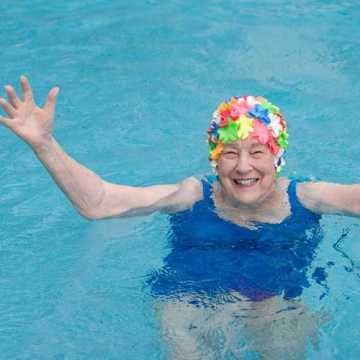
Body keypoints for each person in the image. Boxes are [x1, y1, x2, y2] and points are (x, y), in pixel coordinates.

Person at [0, 76, 359, 359]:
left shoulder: (307, 197)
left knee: (279, 336)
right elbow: (99, 203)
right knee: (181, 327)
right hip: (193, 300)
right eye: (229, 152)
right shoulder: (191, 195)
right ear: (215, 159)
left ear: (277, 157)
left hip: (272, 300)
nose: (243, 166)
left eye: (257, 152)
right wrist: (44, 143)